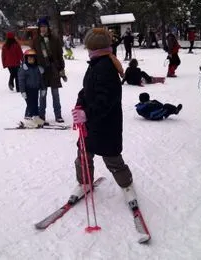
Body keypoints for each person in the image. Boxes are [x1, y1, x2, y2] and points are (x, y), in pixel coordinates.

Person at [71, 28, 139, 211]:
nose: (86, 49)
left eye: (88, 46)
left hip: (106, 123)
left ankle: (127, 186)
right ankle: (85, 182)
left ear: (94, 47)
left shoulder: (106, 67)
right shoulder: (95, 63)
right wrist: (79, 105)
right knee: (84, 154)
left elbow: (107, 98)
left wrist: (87, 113)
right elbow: (86, 90)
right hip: (91, 123)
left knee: (112, 159)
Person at [31, 17, 66, 123]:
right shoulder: (36, 40)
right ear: (39, 28)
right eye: (41, 27)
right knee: (43, 95)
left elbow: (60, 55)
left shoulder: (55, 39)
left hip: (54, 70)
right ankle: (42, 116)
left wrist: (62, 69)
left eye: (45, 26)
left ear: (48, 27)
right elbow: (32, 56)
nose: (43, 29)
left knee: (55, 94)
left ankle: (58, 115)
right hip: (42, 72)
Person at [18, 49, 46, 127]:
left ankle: (36, 118)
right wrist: (22, 91)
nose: (31, 60)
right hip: (28, 90)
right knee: (30, 105)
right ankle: (28, 118)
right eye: (29, 58)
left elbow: (40, 79)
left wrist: (43, 88)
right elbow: (21, 81)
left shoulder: (37, 68)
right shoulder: (24, 69)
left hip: (35, 89)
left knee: (35, 103)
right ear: (26, 59)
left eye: (32, 59)